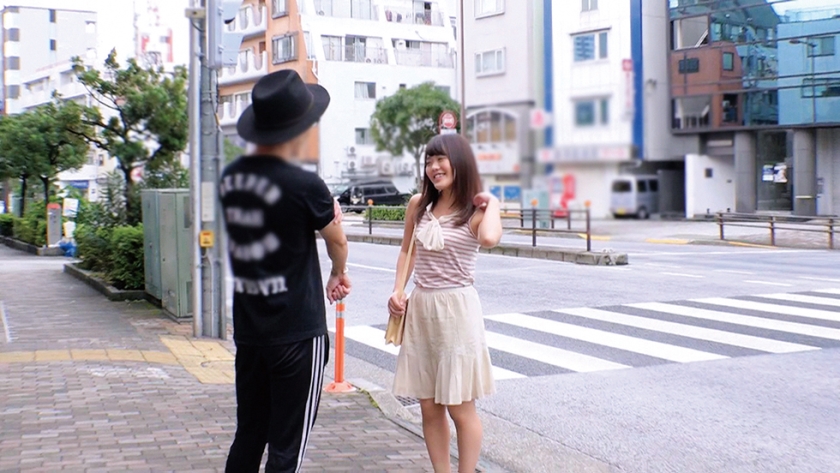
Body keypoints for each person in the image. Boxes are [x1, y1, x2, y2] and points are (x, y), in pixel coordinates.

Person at [220, 70, 351, 473]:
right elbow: (337, 241)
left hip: (250, 331)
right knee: (286, 450)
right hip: (297, 332)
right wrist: (337, 273)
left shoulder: (231, 179)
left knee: (249, 435)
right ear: (299, 129)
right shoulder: (306, 184)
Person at [387, 133, 503, 473]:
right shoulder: (418, 205)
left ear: (459, 162)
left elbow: (490, 238)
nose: (434, 167)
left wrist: (493, 203)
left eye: (441, 159)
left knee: (460, 407)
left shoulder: (475, 212)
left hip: (457, 311)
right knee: (428, 406)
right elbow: (407, 252)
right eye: (429, 161)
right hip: (422, 308)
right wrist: (398, 290)